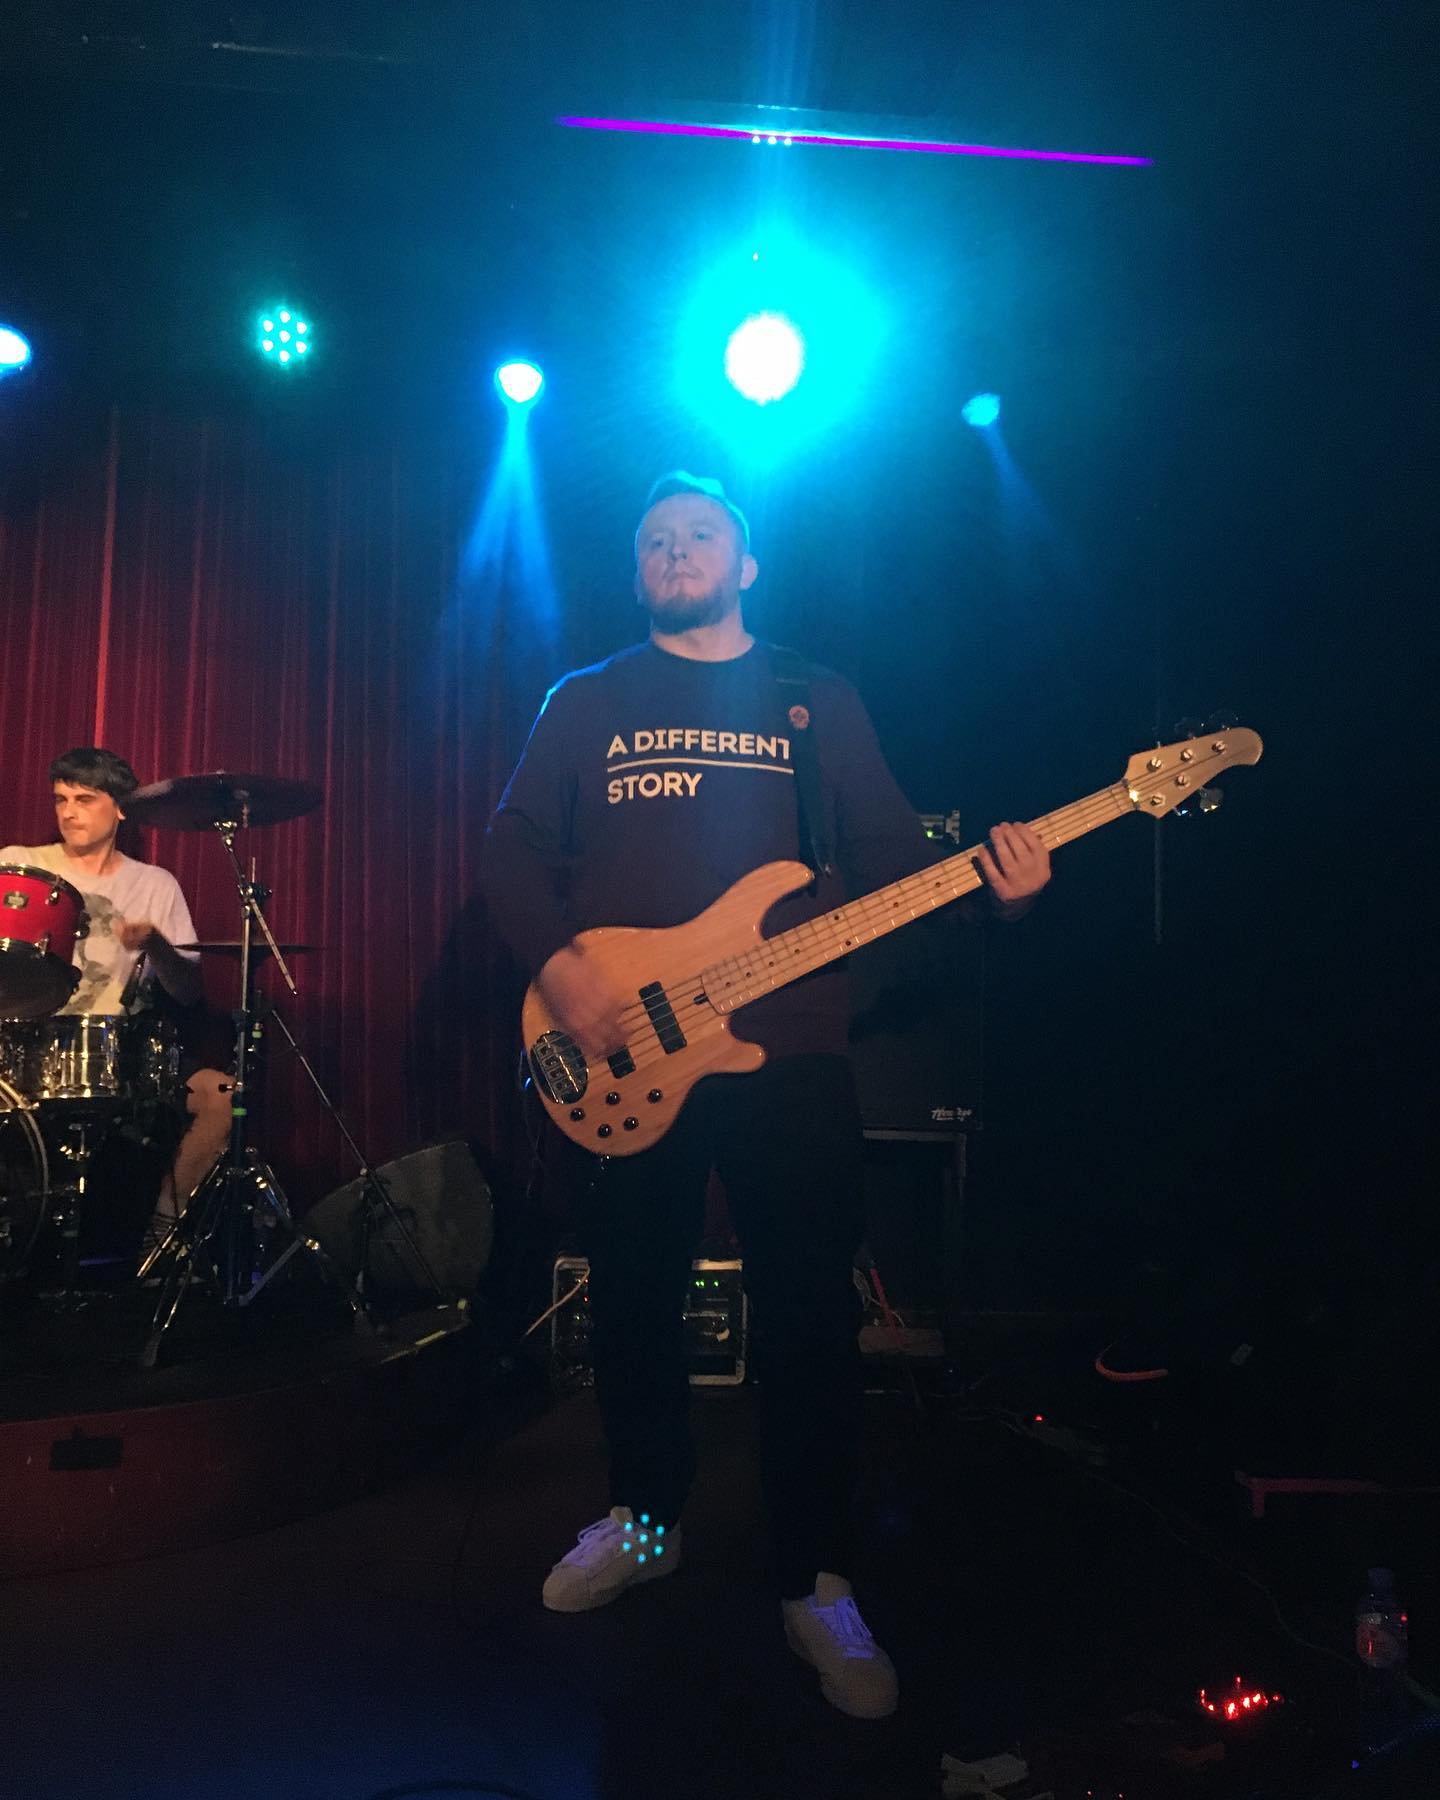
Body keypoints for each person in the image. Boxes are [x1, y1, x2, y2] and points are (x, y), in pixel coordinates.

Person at [481, 473, 1051, 1719]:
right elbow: (509, 849)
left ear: (747, 565)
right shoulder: (588, 700)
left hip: (789, 1046)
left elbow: (895, 861)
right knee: (634, 1298)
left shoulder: (814, 699)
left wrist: (992, 892)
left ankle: (815, 1575)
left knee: (807, 1316)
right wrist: (564, 972)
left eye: (700, 535)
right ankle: (643, 1521)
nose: (675, 550)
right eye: (654, 541)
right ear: (639, 572)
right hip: (625, 1045)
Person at [2, 748, 231, 1239]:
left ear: (121, 809)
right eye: (61, 799)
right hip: (24, 1047)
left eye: (84, 799)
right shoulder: (18, 864)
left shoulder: (155, 885)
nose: (68, 812)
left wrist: (157, 946)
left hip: (121, 1059)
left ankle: (161, 1238)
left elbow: (189, 992)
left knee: (223, 1096)